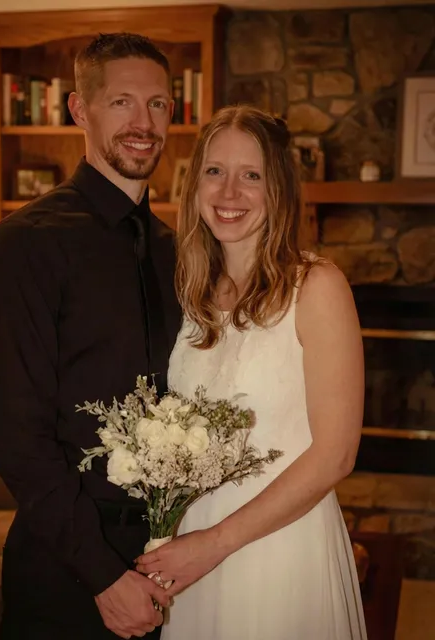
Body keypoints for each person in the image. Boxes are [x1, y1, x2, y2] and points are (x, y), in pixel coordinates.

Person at [0, 33, 181, 640]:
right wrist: (102, 577)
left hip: (172, 561)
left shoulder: (178, 251)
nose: (144, 123)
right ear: (79, 109)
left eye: (158, 104)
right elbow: (19, 436)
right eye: (122, 102)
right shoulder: (26, 244)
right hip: (66, 570)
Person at [135, 105, 368, 640]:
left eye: (251, 176)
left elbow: (336, 455)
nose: (229, 192)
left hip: (277, 548)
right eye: (215, 171)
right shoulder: (189, 293)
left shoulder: (317, 287)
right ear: (195, 185)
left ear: (278, 190)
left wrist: (214, 543)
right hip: (192, 546)